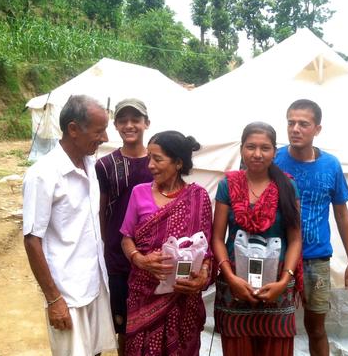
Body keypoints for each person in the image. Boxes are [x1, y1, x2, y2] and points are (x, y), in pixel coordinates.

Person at [23, 95, 117, 355]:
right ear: (73, 129)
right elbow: (32, 240)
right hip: (67, 293)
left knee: (95, 351)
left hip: (95, 283)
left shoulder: (91, 166)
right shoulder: (43, 174)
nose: (105, 138)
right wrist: (54, 299)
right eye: (99, 131)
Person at [274, 99, 348, 356]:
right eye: (291, 123)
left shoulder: (330, 165)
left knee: (316, 327)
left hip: (316, 258)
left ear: (317, 129)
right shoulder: (272, 159)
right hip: (277, 255)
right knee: (274, 324)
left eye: (303, 124)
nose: (295, 129)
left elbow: (342, 214)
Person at [213, 122, 302, 356]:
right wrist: (230, 277)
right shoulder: (227, 185)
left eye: (265, 148)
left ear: (275, 151)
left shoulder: (288, 186)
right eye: (251, 147)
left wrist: (284, 281)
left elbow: (295, 240)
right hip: (235, 287)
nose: (257, 154)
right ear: (241, 149)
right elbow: (217, 238)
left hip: (277, 287)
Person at [120, 130, 213, 356]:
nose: (150, 165)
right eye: (149, 158)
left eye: (158, 159)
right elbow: (126, 238)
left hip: (183, 296)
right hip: (144, 293)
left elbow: (205, 249)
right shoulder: (139, 193)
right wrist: (140, 260)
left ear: (178, 163)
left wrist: (202, 275)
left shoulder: (198, 197)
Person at [95, 98, 153, 355]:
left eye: (135, 120)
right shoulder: (105, 165)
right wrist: (105, 245)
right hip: (118, 258)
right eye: (123, 121)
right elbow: (100, 210)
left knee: (150, 320)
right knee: (123, 323)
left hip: (153, 254)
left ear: (146, 123)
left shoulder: (158, 162)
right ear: (116, 126)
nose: (130, 125)